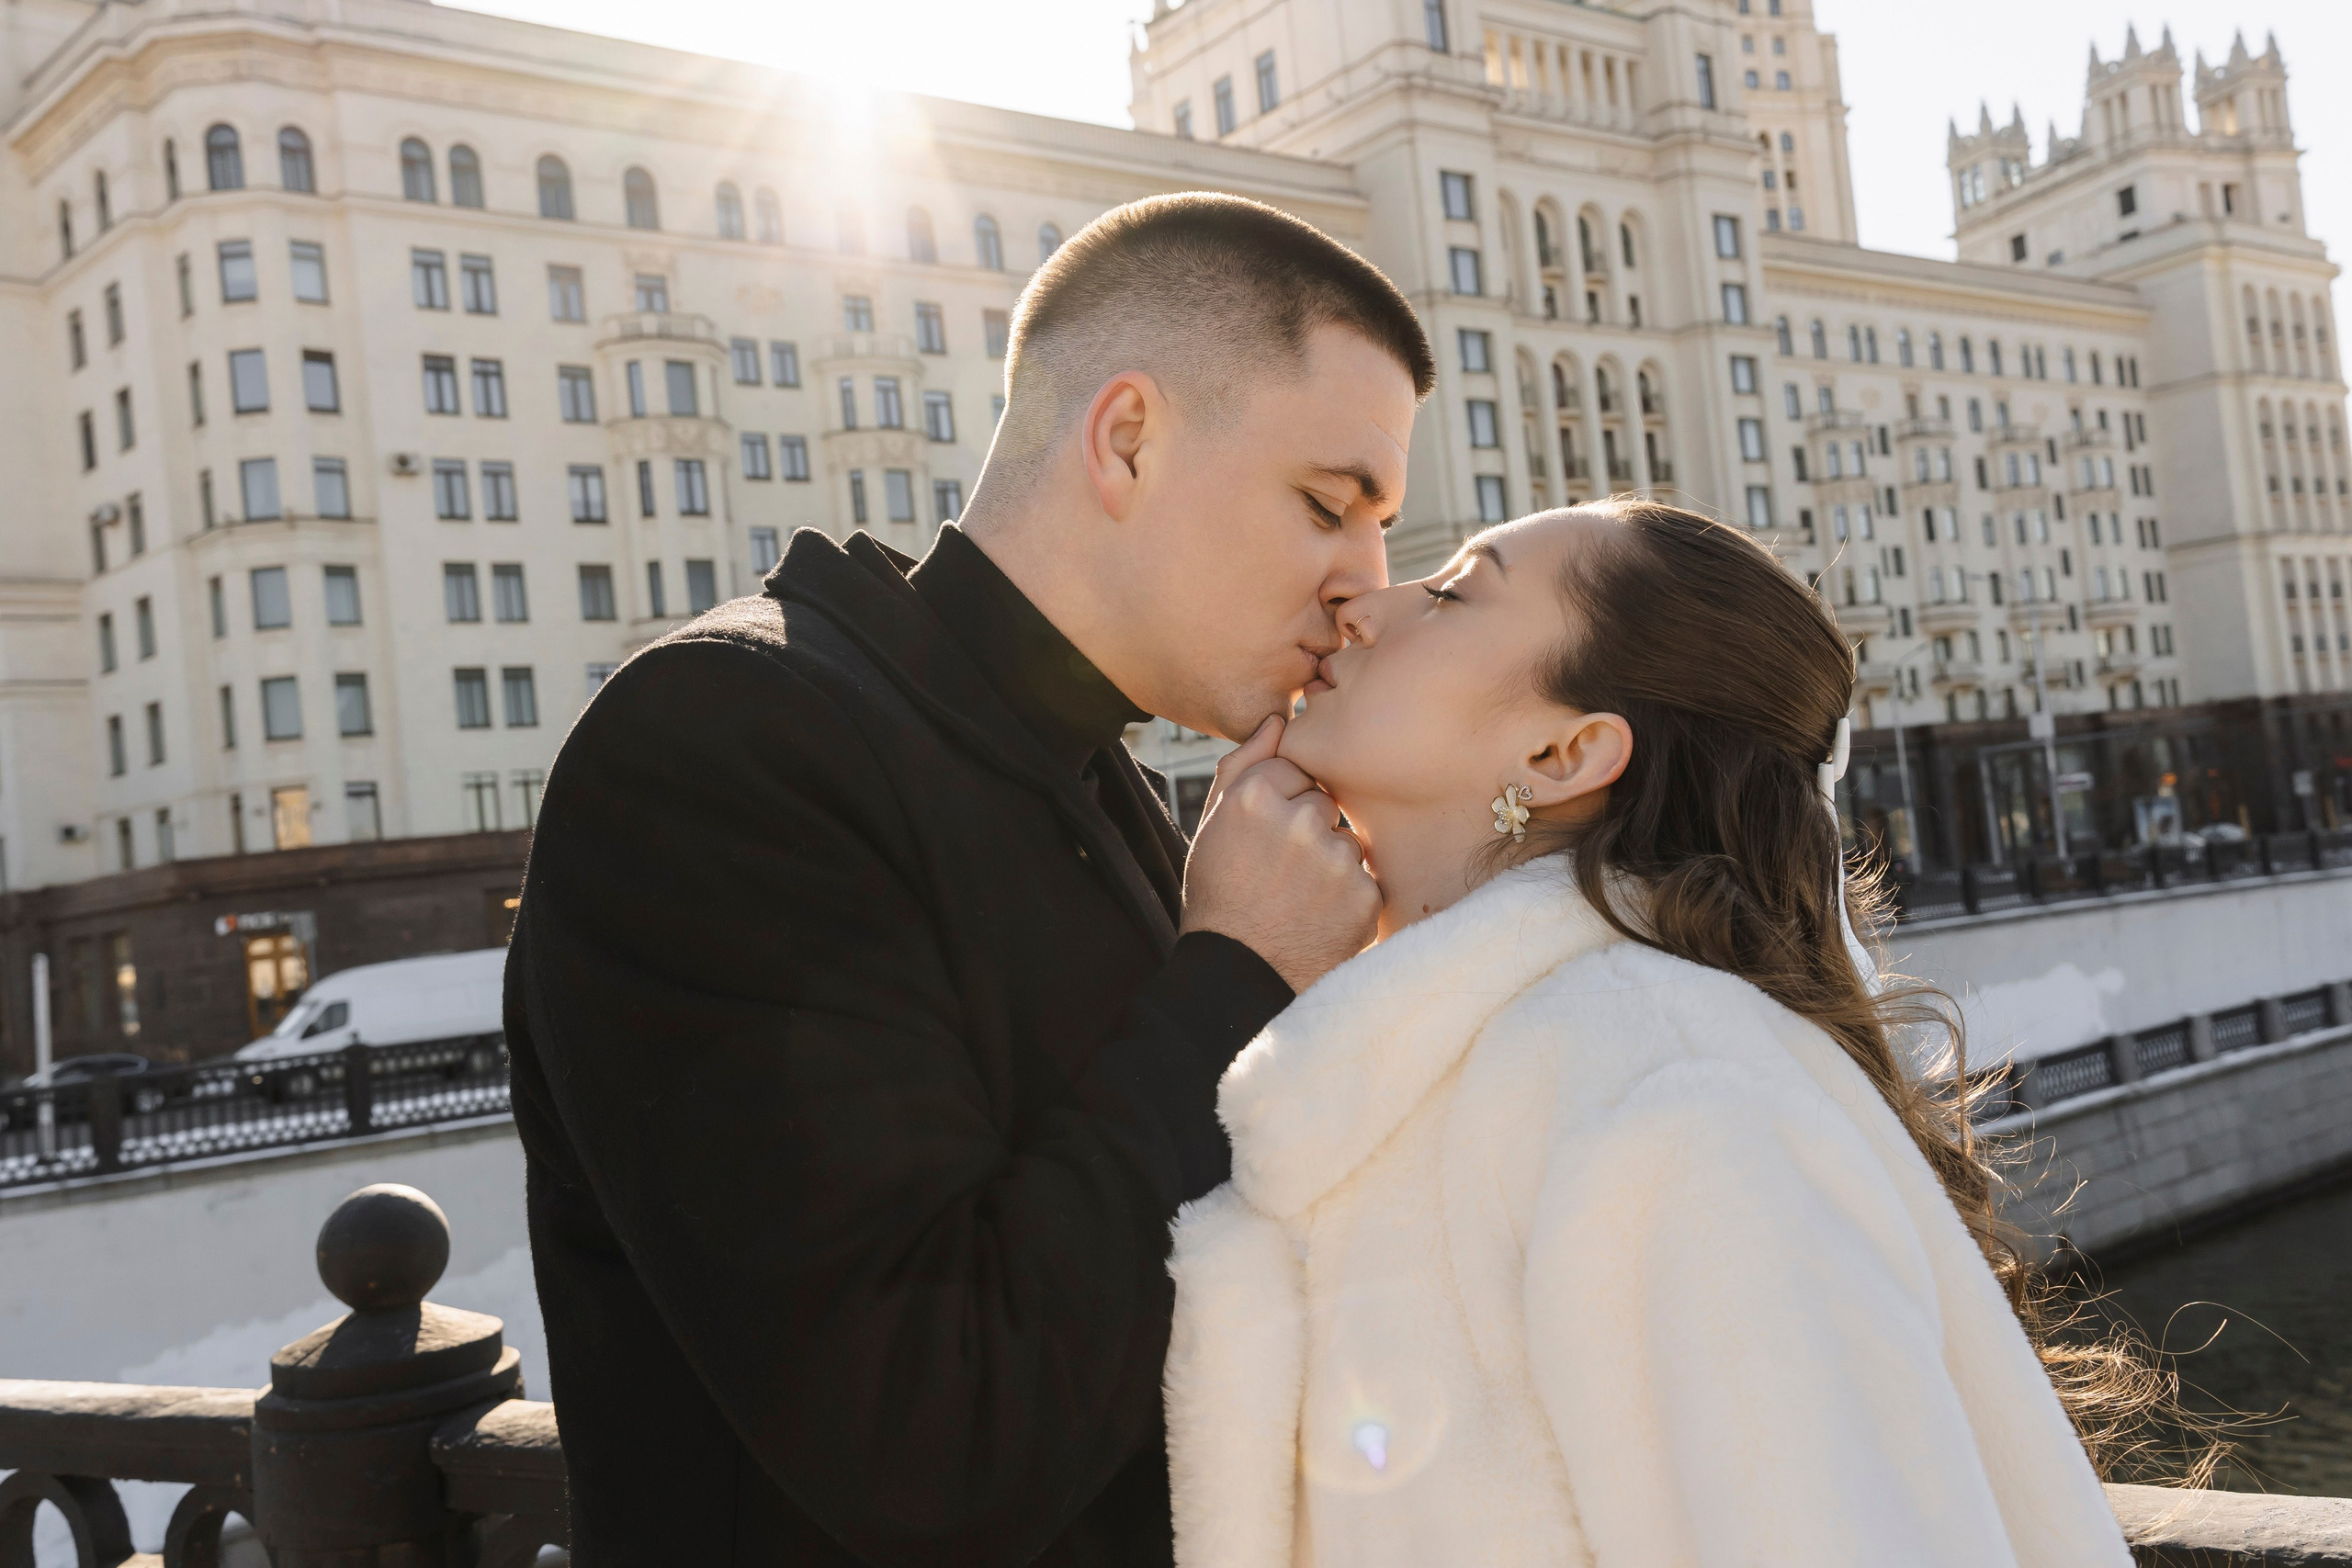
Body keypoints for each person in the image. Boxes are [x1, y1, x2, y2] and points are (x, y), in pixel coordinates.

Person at [503, 192, 1431, 1564]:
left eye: (1384, 528)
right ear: (1127, 436)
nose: (1368, 584)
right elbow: (926, 1433)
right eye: (1327, 506)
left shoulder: (1095, 768)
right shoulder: (722, 741)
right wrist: (1237, 970)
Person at [1163, 499, 2141, 1566]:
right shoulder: (1426, 1063)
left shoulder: (1668, 1092)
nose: (1362, 601)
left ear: (1563, 751)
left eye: (1449, 594)